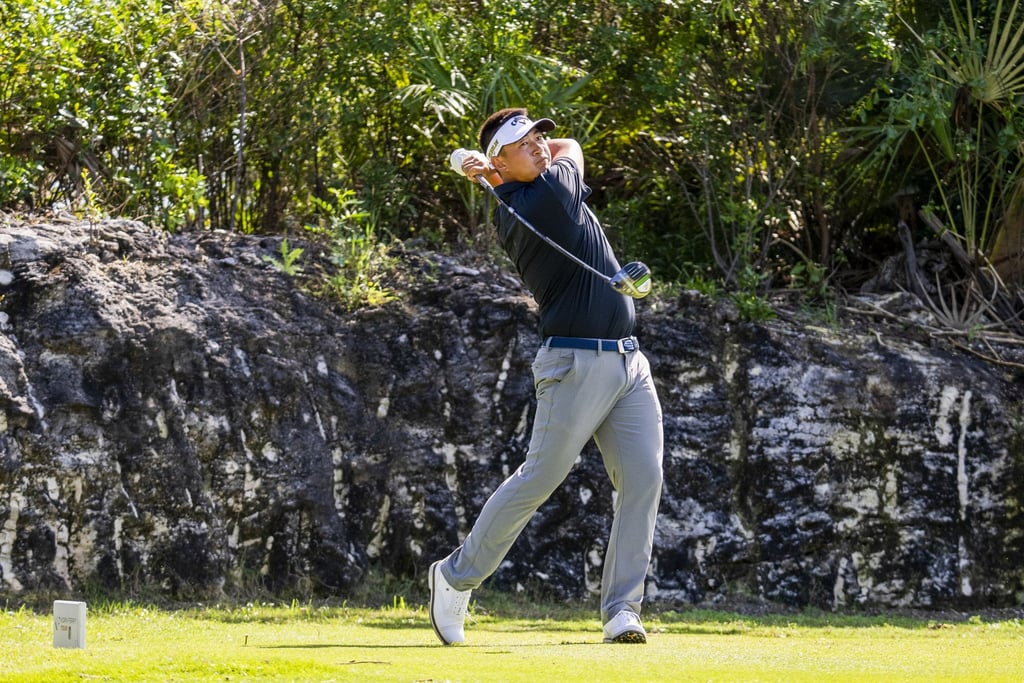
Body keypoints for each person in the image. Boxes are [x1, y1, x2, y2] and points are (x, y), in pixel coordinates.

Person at [430, 108, 664, 645]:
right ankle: (454, 576)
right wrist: (486, 169)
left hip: (628, 362)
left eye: (537, 135)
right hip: (574, 364)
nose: (538, 145)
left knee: (644, 478)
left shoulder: (519, 191)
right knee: (540, 477)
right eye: (523, 143)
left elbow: (556, 145)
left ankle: (622, 609)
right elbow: (572, 146)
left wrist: (488, 168)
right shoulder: (547, 196)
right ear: (500, 162)